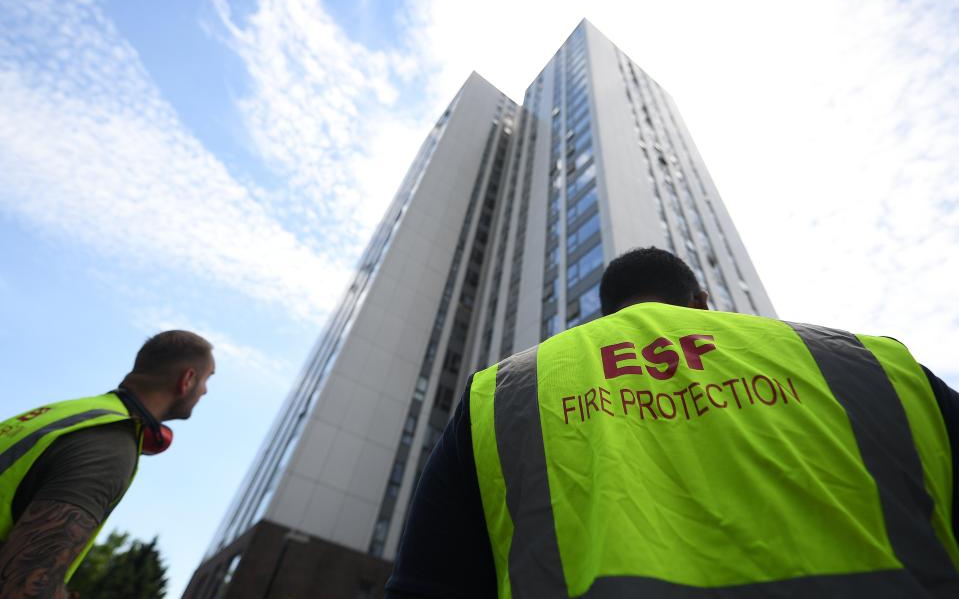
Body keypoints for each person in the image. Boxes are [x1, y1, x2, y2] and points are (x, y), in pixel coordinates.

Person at [386, 247, 959, 598]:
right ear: (703, 300)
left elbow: (426, 585)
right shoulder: (875, 364)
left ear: (606, 316)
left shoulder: (504, 392)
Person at [0, 329, 215, 598]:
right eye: (207, 379)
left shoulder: (71, 412)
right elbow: (22, 584)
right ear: (188, 379)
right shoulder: (111, 444)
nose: (205, 391)